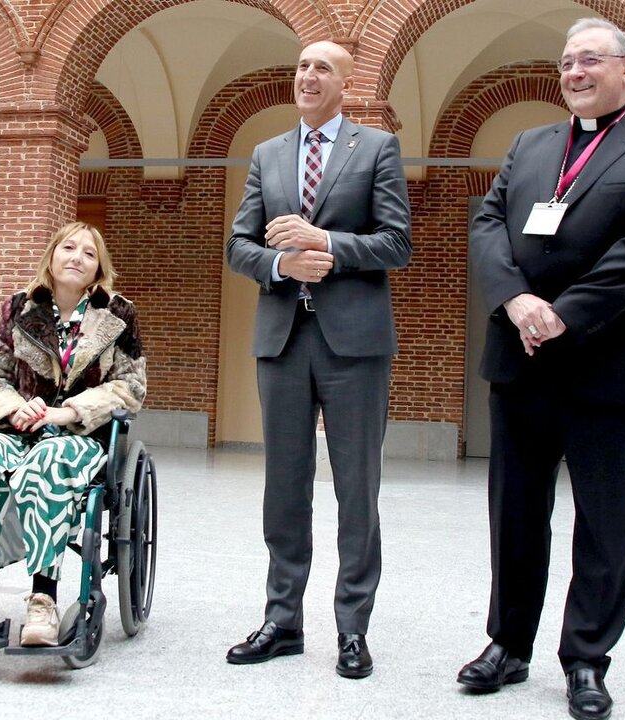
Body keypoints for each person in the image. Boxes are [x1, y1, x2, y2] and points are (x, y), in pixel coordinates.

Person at [459, 18, 625, 720]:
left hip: (608, 364)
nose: (575, 72)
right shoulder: (530, 145)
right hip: (520, 360)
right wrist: (518, 299)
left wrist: (565, 312)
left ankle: (587, 657)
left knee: (607, 521)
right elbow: (488, 225)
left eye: (590, 60)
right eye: (566, 62)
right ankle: (508, 644)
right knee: (516, 514)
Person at [224, 39, 412, 679]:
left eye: (321, 67)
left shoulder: (376, 148)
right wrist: (282, 263)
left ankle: (353, 629)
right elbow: (238, 245)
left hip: (354, 344)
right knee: (284, 487)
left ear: (346, 84)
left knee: (357, 488)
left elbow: (396, 242)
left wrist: (323, 241)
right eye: (302, 66)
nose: (308, 75)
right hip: (281, 339)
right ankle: (282, 621)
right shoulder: (268, 154)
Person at [0, 221, 146, 647]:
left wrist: (66, 411)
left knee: (47, 462)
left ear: (98, 267)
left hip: (79, 437)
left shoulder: (118, 315)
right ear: (51, 256)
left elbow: (130, 386)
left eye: (89, 253)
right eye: (69, 248)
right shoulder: (18, 308)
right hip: (19, 430)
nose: (77, 257)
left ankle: (43, 600)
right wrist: (18, 405)